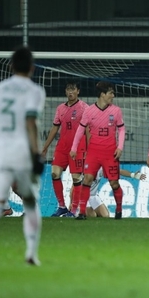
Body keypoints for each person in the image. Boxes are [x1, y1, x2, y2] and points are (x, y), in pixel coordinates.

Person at [0, 46, 46, 266]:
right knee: (31, 204)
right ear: (32, 68)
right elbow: (30, 122)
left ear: (12, 66)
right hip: (22, 153)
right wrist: (36, 153)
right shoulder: (35, 91)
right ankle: (31, 254)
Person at [70, 81, 126, 220]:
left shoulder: (116, 111)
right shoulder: (89, 111)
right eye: (110, 93)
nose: (113, 96)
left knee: (114, 183)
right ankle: (82, 213)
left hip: (110, 153)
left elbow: (122, 129)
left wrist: (120, 147)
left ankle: (119, 209)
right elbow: (80, 129)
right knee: (87, 179)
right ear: (102, 94)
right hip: (93, 153)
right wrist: (74, 148)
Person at [42, 81, 89, 217]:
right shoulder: (60, 109)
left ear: (78, 91)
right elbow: (55, 127)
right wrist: (45, 147)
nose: (70, 92)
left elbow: (87, 129)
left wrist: (89, 148)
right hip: (62, 147)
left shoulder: (84, 108)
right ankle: (62, 206)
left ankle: (74, 210)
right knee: (54, 174)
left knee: (76, 178)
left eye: (73, 89)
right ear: (65, 91)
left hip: (78, 147)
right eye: (68, 89)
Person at [69, 167, 146, 217]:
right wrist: (71, 203)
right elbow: (74, 187)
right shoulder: (84, 168)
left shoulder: (101, 169)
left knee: (106, 216)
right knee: (93, 216)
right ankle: (77, 211)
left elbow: (119, 171)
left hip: (93, 196)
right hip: (82, 197)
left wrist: (132, 175)